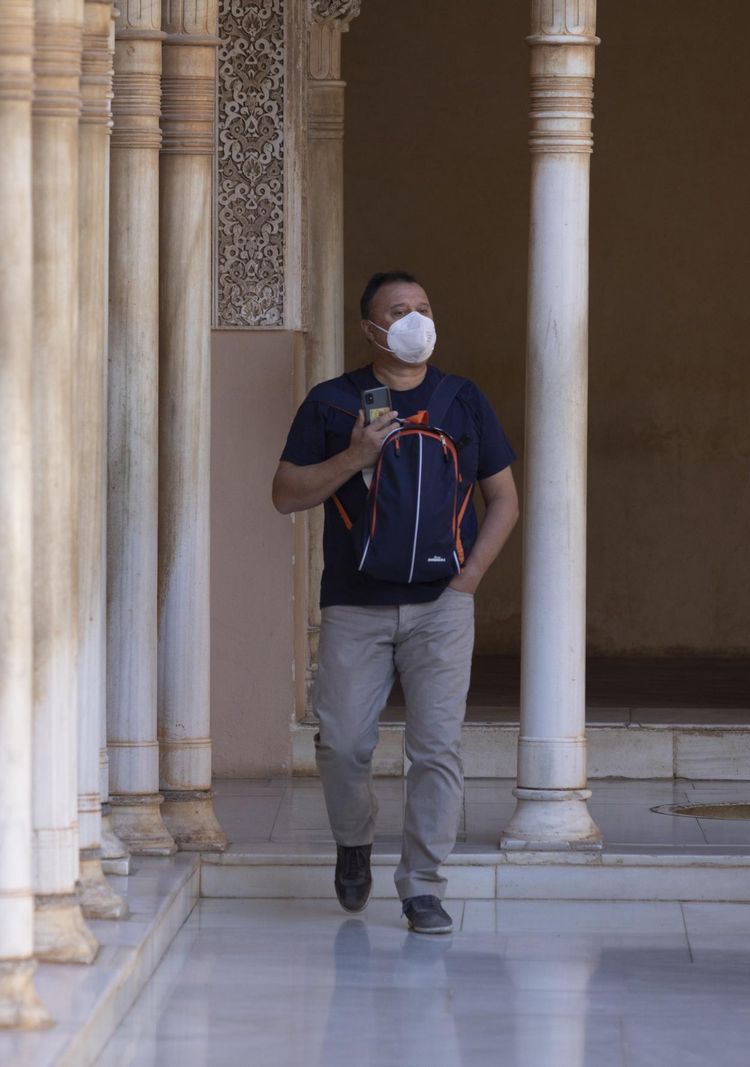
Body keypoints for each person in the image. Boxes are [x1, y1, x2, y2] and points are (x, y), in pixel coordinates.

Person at [271, 270, 519, 934]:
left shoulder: (463, 400)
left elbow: (506, 498)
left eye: (424, 308)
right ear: (371, 329)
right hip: (355, 604)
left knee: (436, 747)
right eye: (399, 311)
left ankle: (423, 886)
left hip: (442, 605)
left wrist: (468, 579)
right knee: (345, 743)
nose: (415, 320)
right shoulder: (334, 402)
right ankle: (354, 840)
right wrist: (353, 456)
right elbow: (287, 492)